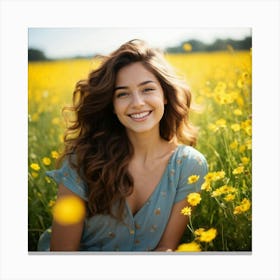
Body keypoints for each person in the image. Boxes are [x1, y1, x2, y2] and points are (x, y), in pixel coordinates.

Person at [37, 39, 208, 252]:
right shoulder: (82, 160)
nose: (137, 102)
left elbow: (166, 249)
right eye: (123, 93)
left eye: (147, 89)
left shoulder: (189, 166)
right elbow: (62, 254)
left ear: (165, 95)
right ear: (112, 105)